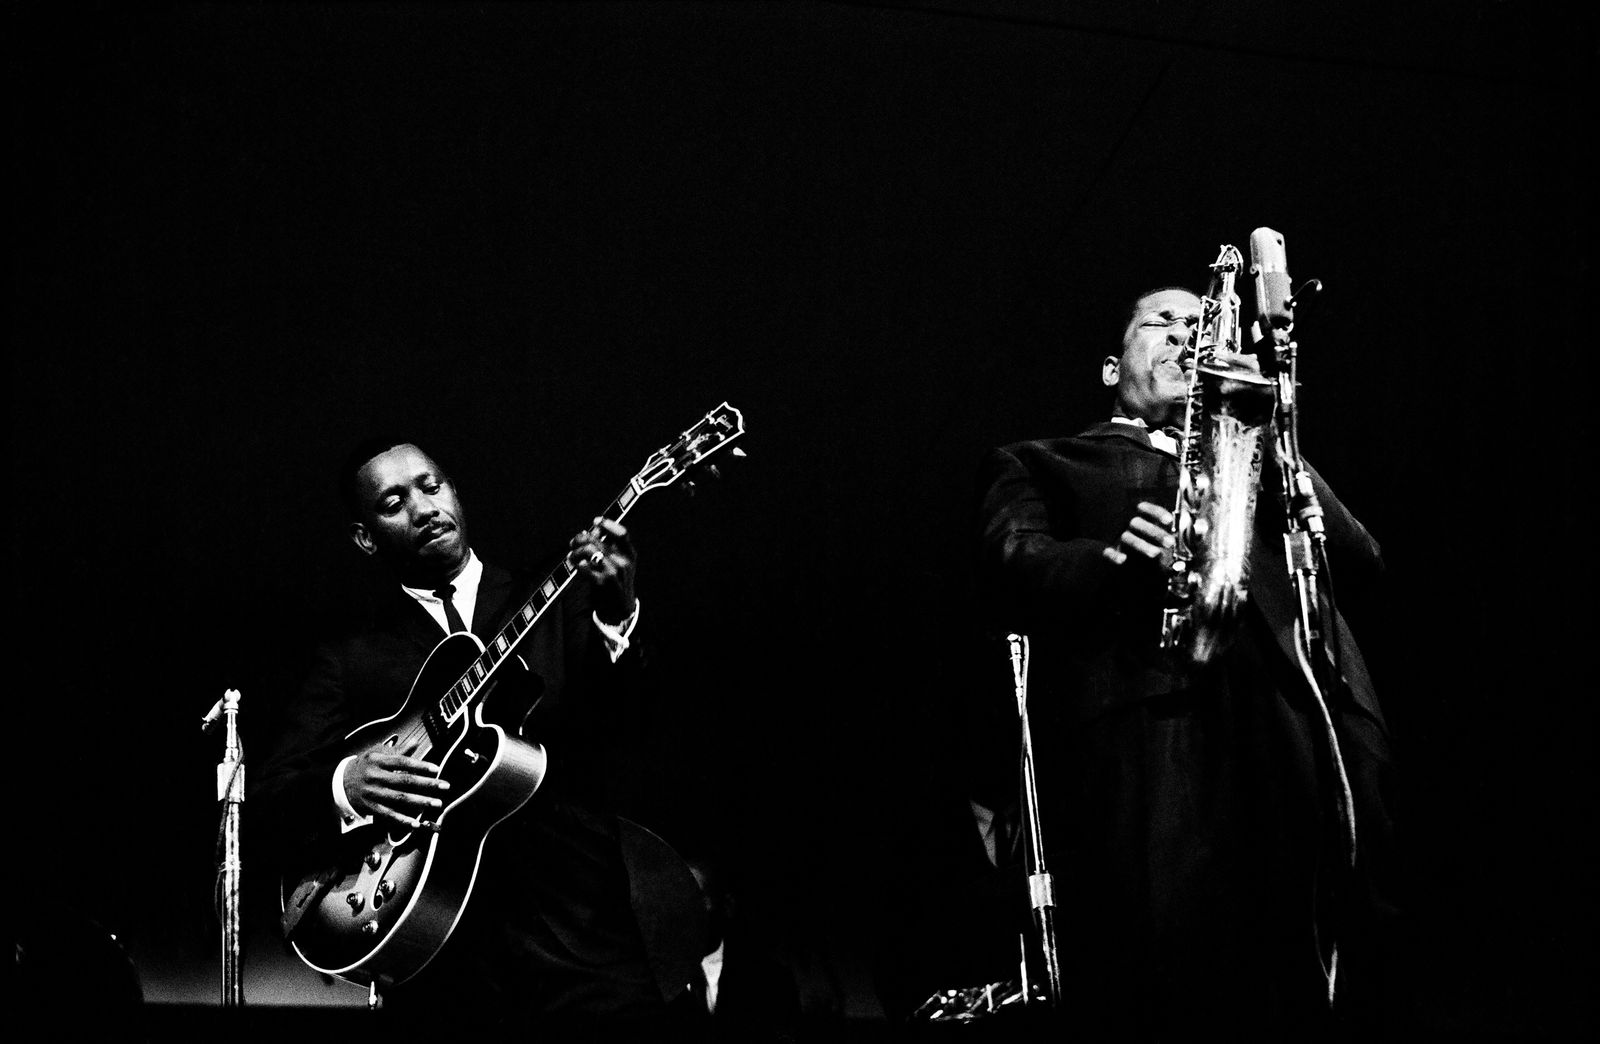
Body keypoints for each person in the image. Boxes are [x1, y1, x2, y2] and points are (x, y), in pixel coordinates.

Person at [975, 287, 1403, 1038]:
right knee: (1174, 953)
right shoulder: (1041, 460)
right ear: (1112, 368)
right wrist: (1111, 560)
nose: (1186, 337)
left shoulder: (1266, 451)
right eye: (1162, 323)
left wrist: (1270, 432)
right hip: (1154, 710)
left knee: (1337, 948)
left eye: (1198, 325)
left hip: (1303, 710)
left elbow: (1360, 558)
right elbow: (1017, 561)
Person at [251, 436, 692, 1034]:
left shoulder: (557, 596)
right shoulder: (350, 657)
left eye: (432, 487)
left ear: (455, 492)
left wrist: (618, 616)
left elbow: (642, 727)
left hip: (583, 943)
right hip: (439, 962)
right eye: (394, 502)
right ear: (365, 537)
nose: (424, 508)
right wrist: (346, 785)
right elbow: (270, 799)